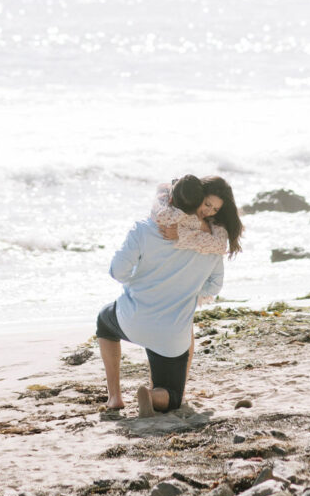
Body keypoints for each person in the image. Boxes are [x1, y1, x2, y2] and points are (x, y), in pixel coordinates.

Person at [96, 174, 243, 416]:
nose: (208, 211)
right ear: (198, 199)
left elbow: (117, 272)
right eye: (207, 205)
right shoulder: (213, 242)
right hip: (172, 336)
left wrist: (137, 282)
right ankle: (154, 395)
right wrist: (186, 295)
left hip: (131, 320)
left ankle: (115, 397)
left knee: (104, 321)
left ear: (170, 198)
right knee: (173, 398)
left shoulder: (145, 228)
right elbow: (214, 286)